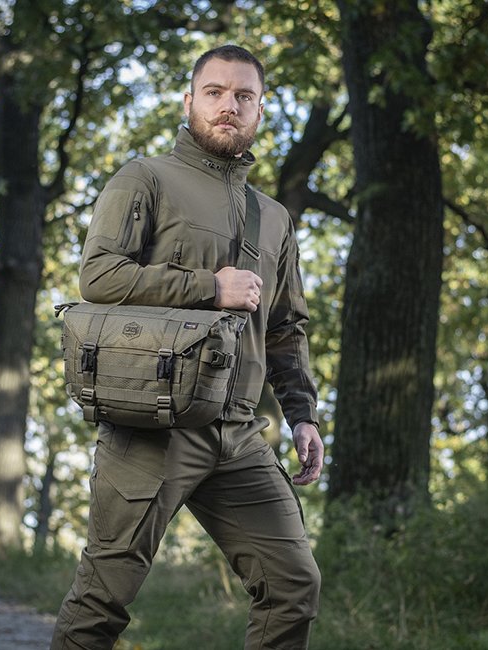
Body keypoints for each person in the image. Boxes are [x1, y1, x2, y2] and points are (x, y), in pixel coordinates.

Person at [51, 44, 324, 650]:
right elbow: (99, 276)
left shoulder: (274, 218)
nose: (229, 106)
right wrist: (209, 287)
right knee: (102, 600)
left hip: (239, 433)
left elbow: (285, 327)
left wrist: (302, 414)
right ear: (189, 101)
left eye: (244, 96)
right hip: (152, 427)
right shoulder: (145, 178)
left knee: (293, 585)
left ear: (260, 110)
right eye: (215, 92)